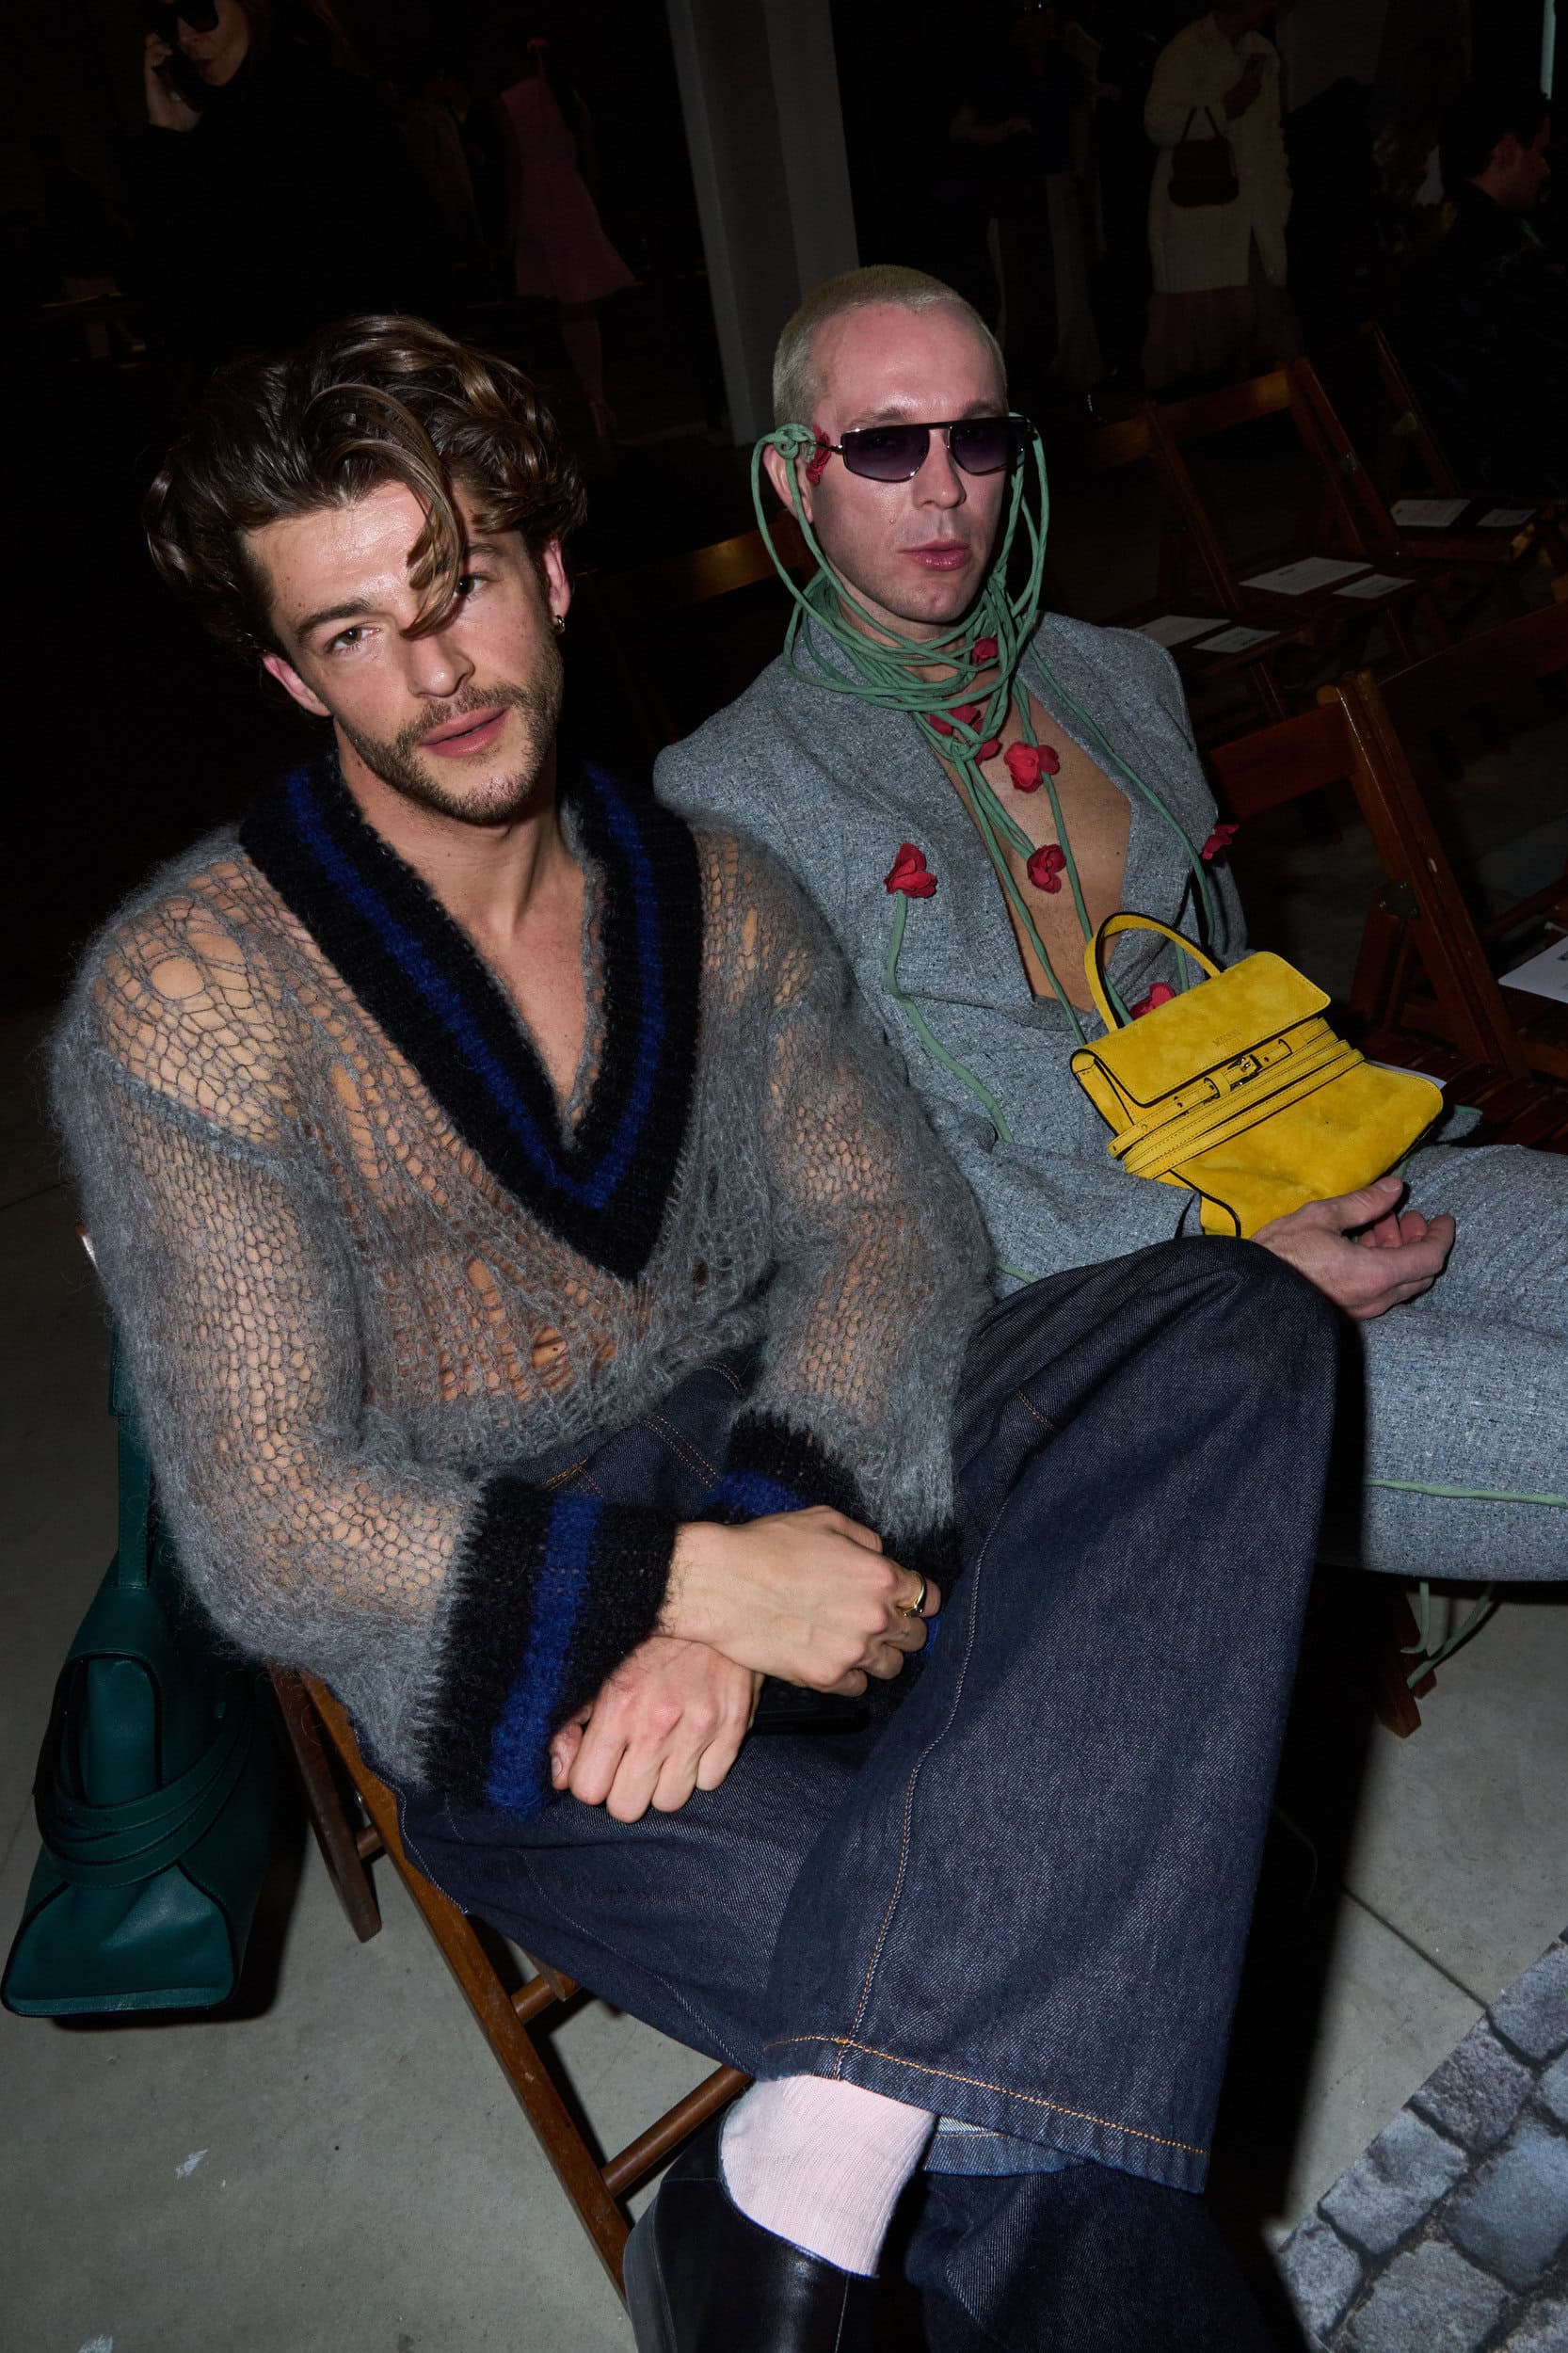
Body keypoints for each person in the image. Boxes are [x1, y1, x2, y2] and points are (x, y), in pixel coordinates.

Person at [52, 312, 1340, 2353]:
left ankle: (799, 2152)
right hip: (514, 1654)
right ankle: (858, 2135)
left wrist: (765, 1526)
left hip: (808, 1462)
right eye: (358, 632)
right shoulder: (191, 999)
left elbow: (891, 1232)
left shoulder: (715, 892)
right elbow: (270, 1519)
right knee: (1036, 2114)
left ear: (551, 569)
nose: (437, 669)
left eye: (461, 582)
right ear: (293, 678)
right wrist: (684, 1590)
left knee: (1229, 1320)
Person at [656, 264, 1568, 1588]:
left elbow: (1222, 972)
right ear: (796, 478)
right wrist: (1218, 1255)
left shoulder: (1118, 675)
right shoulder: (732, 792)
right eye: (886, 445)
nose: (942, 490)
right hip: (1067, 1305)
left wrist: (1323, 1171)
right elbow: (872, 1182)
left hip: (1287, 1162)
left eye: (976, 438)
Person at [136, 0, 440, 374]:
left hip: (352, 383)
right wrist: (166, 138)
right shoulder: (201, 136)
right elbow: (170, 295)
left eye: (200, 12)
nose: (185, 37)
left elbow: (409, 264)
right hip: (257, 394)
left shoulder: (336, 107)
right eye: (169, 20)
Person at [1389, 75, 1568, 498]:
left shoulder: (1435, 235)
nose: (1546, 169)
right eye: (1540, 152)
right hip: (1496, 472)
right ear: (1507, 149)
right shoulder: (1501, 253)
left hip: (1447, 458)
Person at [1142, 2, 1297, 391]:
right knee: (1206, 357)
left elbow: (1271, 134)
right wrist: (1223, 109)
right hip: (1199, 220)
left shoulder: (1261, 52)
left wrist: (1279, 196)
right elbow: (1157, 122)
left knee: (1257, 346)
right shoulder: (1187, 48)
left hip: (1252, 220)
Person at [496, 32, 632, 440]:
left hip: (539, 203)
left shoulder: (511, 102)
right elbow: (590, 159)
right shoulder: (569, 98)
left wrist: (511, 225)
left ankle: (589, 396)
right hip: (572, 198)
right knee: (579, 304)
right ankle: (593, 395)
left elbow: (514, 168)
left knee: (567, 303)